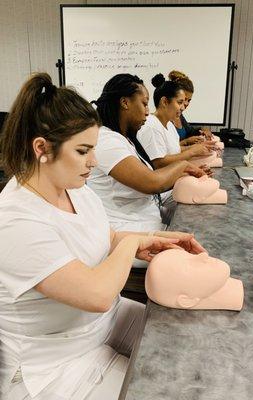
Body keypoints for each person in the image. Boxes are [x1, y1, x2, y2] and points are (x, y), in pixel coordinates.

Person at [0, 73, 206, 400]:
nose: (93, 162)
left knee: (184, 345)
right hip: (55, 363)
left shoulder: (73, 188)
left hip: (102, 323)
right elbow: (95, 294)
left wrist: (155, 238)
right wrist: (133, 244)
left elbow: (106, 236)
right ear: (42, 148)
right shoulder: (15, 220)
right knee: (165, 389)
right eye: (83, 151)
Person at [88, 73, 207, 232]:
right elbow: (152, 182)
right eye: (144, 104)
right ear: (125, 102)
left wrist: (184, 174)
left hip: (144, 219)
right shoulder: (108, 142)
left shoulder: (124, 138)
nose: (146, 112)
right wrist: (184, 166)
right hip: (129, 230)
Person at [137, 73, 216, 170]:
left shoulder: (169, 125)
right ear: (165, 102)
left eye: (185, 102)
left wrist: (199, 147)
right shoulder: (151, 126)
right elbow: (158, 163)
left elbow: (175, 150)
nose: (183, 107)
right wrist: (192, 152)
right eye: (180, 102)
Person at [168, 70, 213, 143]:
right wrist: (186, 142)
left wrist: (202, 129)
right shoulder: (165, 120)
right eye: (183, 99)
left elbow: (190, 131)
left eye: (189, 100)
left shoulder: (180, 116)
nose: (186, 104)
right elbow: (168, 149)